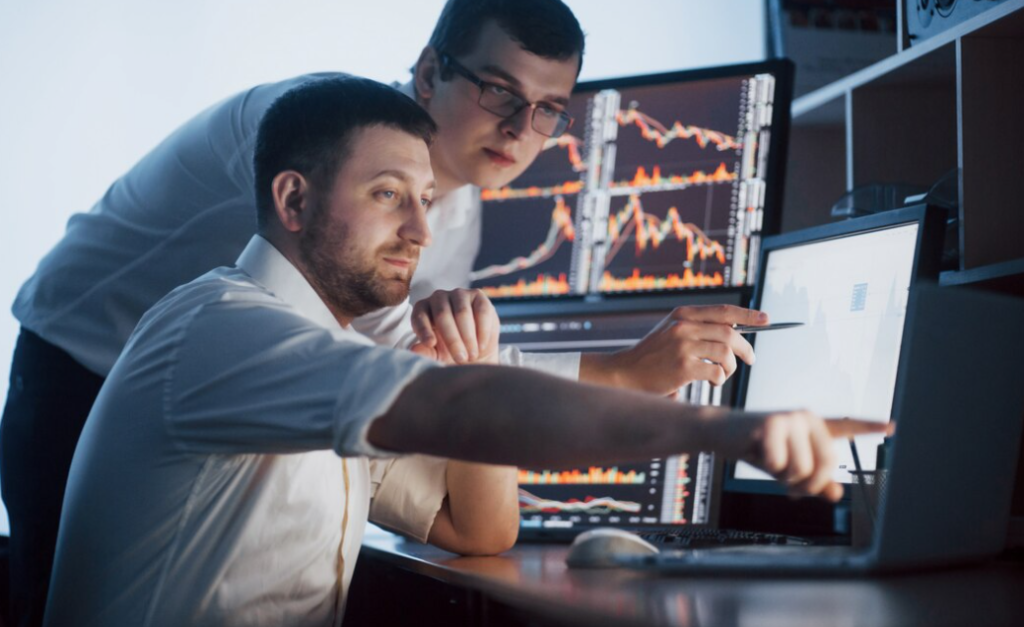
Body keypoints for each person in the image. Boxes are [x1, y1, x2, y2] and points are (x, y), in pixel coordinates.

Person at [4, 0, 758, 627]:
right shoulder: (306, 136)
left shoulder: (449, 215)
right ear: (431, 72)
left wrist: (478, 385)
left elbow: (434, 372)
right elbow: (428, 376)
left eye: (548, 110)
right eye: (500, 91)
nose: (520, 130)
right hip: (85, 371)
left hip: (279, 401)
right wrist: (628, 377)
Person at [44, 76, 887, 627]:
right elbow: (454, 411)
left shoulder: (319, 353)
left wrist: (476, 370)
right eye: (386, 196)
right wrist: (733, 432)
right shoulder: (227, 329)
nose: (419, 230)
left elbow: (473, 530)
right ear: (293, 200)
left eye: (423, 199)